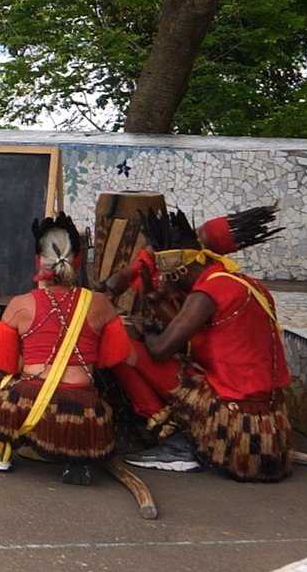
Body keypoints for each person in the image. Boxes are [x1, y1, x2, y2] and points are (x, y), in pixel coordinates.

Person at [112, 206, 292, 482]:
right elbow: (217, 339)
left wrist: (146, 330)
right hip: (267, 418)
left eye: (172, 281)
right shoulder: (245, 282)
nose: (173, 288)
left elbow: (161, 350)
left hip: (232, 414)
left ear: (180, 271)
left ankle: (176, 440)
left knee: (122, 347)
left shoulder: (207, 293)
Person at [0, 215, 132, 485]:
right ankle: (76, 462)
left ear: (40, 261)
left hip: (27, 404)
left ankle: (3, 451)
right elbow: (115, 357)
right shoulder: (100, 304)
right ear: (77, 261)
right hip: (82, 411)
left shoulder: (20, 303)